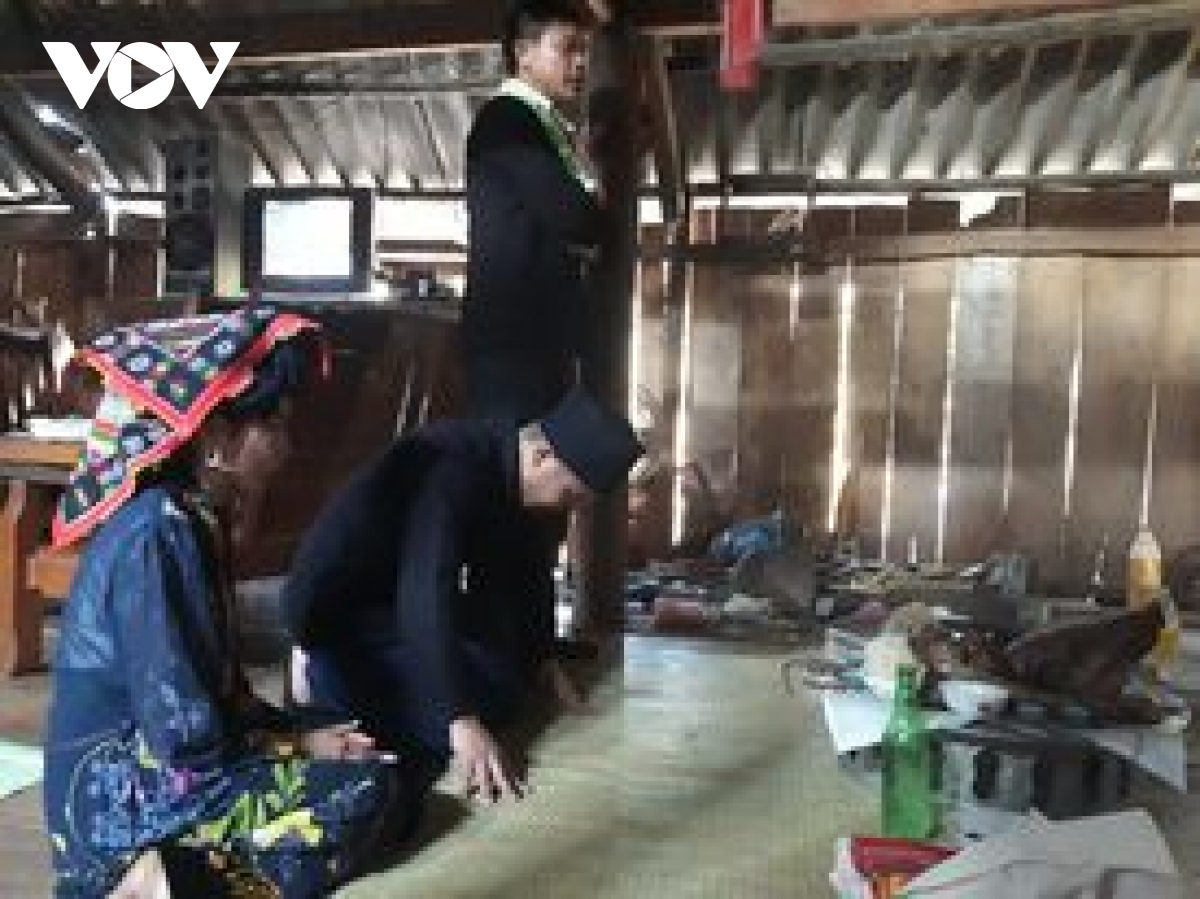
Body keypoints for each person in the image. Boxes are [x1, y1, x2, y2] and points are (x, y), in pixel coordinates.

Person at [43, 306, 405, 899]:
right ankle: (150, 879)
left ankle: (180, 874)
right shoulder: (157, 532)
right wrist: (298, 747)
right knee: (367, 792)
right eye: (274, 427)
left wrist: (303, 737)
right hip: (124, 797)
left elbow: (220, 702)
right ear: (215, 438)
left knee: (373, 757)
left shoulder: (191, 517)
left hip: (174, 769)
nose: (287, 446)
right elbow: (185, 738)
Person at [282, 387, 643, 805]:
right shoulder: (450, 467)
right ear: (542, 456)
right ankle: (316, 680)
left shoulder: (511, 471)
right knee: (464, 722)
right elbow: (424, 591)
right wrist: (459, 717)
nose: (569, 507)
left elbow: (527, 569)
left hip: (390, 611)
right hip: (341, 619)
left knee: (507, 683)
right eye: (570, 495)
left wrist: (541, 657)